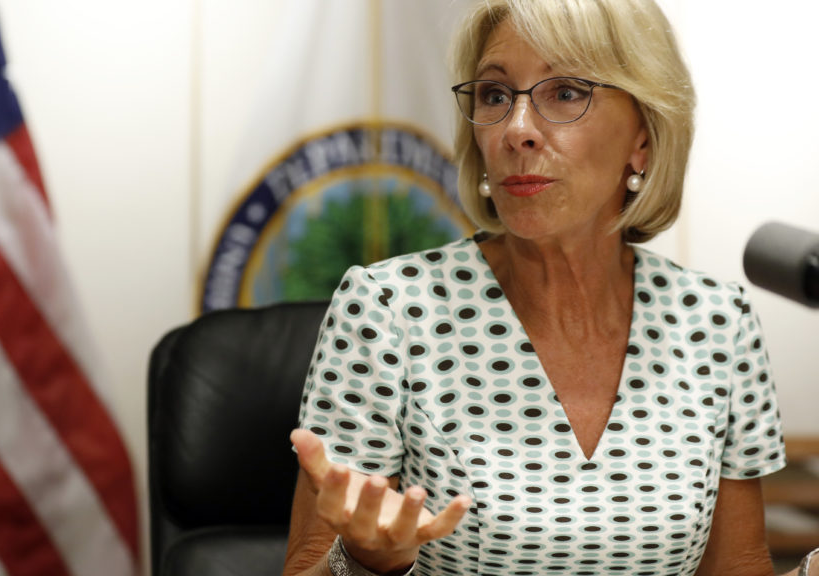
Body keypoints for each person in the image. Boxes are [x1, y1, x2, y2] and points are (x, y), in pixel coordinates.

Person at [283, 1, 819, 575]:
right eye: (494, 95)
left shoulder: (717, 320)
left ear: (642, 138)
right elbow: (307, 566)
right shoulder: (387, 309)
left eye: (564, 92)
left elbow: (738, 567)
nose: (516, 130)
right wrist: (367, 561)